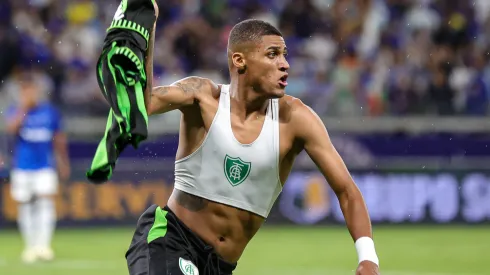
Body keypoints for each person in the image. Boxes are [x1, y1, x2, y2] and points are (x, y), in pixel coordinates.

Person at [125, 12, 380, 275]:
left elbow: (347, 192)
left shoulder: (296, 119)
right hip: (169, 239)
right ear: (239, 60)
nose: (285, 64)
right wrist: (147, 31)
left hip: (220, 267)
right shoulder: (202, 96)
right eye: (273, 54)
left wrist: (368, 258)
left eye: (284, 54)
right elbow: (142, 105)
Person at [4, 71, 70, 264]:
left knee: (45, 203)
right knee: (25, 205)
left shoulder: (50, 111)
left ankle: (43, 246)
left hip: (44, 165)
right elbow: (11, 129)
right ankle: (30, 246)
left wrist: (63, 162)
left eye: (31, 90)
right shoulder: (16, 110)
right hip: (22, 166)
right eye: (25, 90)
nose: (29, 93)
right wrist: (23, 109)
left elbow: (59, 139)